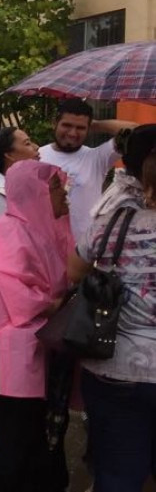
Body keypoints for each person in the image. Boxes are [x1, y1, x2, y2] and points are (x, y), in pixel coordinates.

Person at [0, 160, 72, 492]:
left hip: (12, 339)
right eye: (55, 187)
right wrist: (55, 304)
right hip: (6, 343)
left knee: (25, 422)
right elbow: (18, 294)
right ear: (35, 192)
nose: (64, 193)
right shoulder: (14, 231)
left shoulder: (30, 226)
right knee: (15, 424)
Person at [69, 151, 156, 492]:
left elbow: (74, 272)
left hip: (116, 366)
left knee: (118, 473)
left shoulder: (111, 225)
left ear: (147, 187)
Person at [39, 99, 136, 241]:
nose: (72, 133)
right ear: (55, 123)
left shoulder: (97, 158)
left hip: (86, 247)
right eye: (67, 125)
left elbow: (136, 131)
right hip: (46, 245)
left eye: (80, 128)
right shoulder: (36, 157)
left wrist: (96, 125)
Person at [0, 127, 41, 230]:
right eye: (27, 143)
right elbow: (16, 236)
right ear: (9, 155)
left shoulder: (31, 188)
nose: (36, 147)